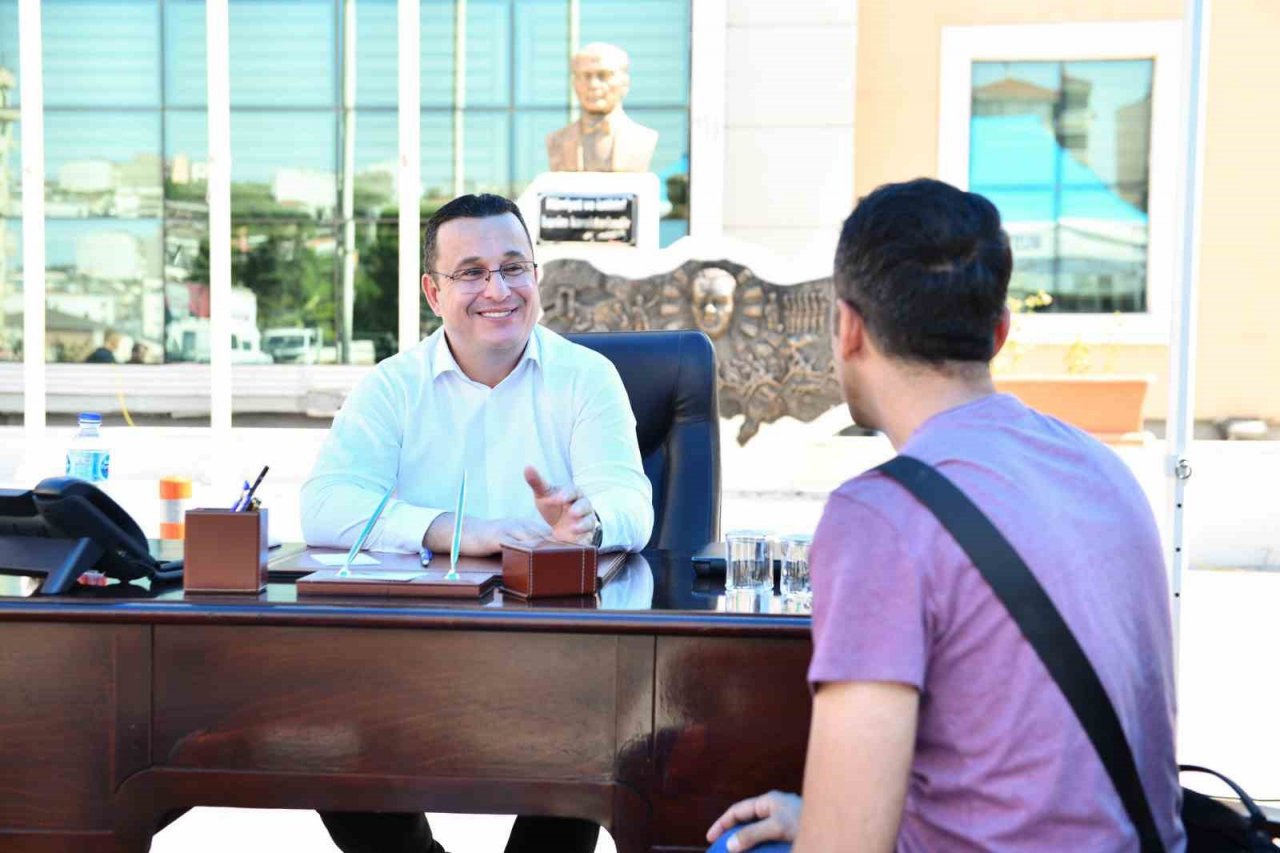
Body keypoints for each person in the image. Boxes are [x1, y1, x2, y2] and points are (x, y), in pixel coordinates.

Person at [705, 179, 1183, 852]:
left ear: (847, 328)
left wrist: (815, 817)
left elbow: (846, 847)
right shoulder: (1104, 470)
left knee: (731, 844)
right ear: (1000, 331)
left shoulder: (880, 517)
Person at [301, 192, 653, 853]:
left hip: (559, 660)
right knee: (323, 727)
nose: (499, 288)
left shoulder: (588, 379)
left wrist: (587, 520)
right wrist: (457, 531)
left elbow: (632, 500)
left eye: (514, 267)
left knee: (593, 725)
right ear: (435, 292)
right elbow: (324, 504)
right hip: (417, 658)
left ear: (537, 278)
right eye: (472, 272)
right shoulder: (392, 386)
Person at [546, 42, 659, 173]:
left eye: (603, 75)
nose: (593, 85)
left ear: (625, 83)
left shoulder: (643, 138)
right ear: (574, 83)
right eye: (586, 76)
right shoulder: (557, 141)